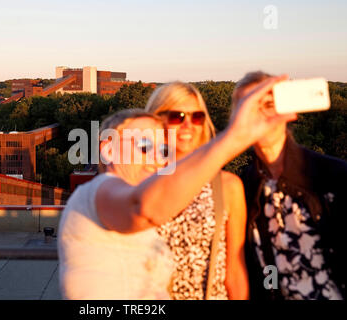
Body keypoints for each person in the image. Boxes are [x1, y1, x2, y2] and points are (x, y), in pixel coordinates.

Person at [58, 75, 296, 299]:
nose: (155, 157)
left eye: (162, 150)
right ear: (108, 149)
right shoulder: (102, 193)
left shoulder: (224, 186)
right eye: (144, 145)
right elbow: (143, 207)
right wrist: (236, 136)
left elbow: (233, 268)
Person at [233, 71, 347, 300]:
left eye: (267, 103)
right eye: (248, 106)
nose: (259, 114)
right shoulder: (244, 186)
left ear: (289, 111)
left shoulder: (334, 175)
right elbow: (266, 269)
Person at [145, 82, 249, 300]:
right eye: (177, 116)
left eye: (197, 117)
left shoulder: (228, 187)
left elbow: (235, 273)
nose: (188, 124)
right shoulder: (140, 185)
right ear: (156, 120)